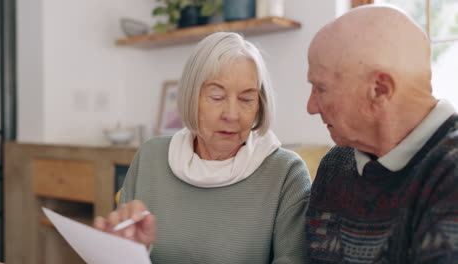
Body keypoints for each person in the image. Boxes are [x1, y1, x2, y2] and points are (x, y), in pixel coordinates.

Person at [94, 32, 312, 263]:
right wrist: (123, 250)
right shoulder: (151, 157)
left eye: (247, 99)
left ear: (260, 105)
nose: (231, 115)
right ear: (190, 97)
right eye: (216, 96)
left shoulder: (286, 173)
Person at [305, 4, 457, 263]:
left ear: (379, 89)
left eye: (321, 88)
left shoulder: (450, 173)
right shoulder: (336, 164)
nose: (310, 107)